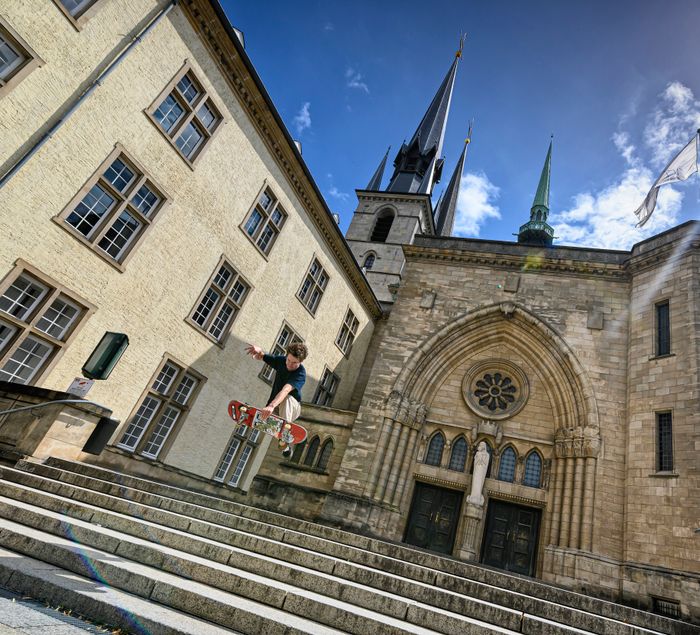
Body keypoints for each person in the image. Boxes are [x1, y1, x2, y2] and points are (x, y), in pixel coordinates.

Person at [244, 341, 308, 458]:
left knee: (286, 398)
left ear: (301, 362)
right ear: (286, 356)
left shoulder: (300, 374)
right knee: (267, 414)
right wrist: (259, 352)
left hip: (292, 408)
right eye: (288, 360)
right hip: (277, 407)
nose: (289, 364)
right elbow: (263, 356)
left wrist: (272, 406)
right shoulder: (281, 361)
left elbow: (285, 390)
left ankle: (285, 431)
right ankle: (285, 446)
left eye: (294, 363)